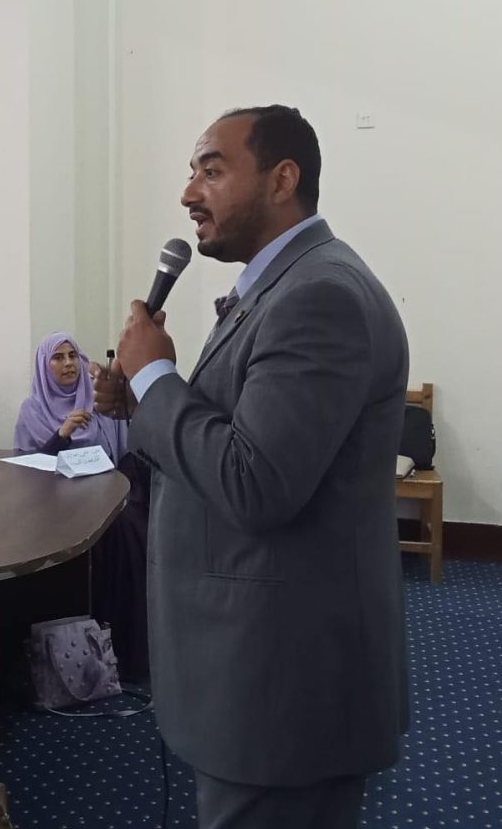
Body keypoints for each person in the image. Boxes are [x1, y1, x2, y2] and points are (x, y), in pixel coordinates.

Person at [95, 105, 408, 829]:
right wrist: (145, 397)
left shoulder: (318, 296)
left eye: (211, 170)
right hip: (262, 662)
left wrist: (156, 381)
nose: (188, 193)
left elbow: (255, 481)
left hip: (282, 677)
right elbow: (238, 435)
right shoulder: (283, 286)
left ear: (281, 179)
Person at [14, 332, 150, 681]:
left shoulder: (99, 401)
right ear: (44, 366)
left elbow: (125, 456)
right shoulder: (33, 410)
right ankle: (66, 657)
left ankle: (125, 650)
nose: (68, 364)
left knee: (127, 532)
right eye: (58, 357)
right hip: (55, 502)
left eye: (72, 355)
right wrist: (62, 434)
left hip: (106, 497)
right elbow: (28, 472)